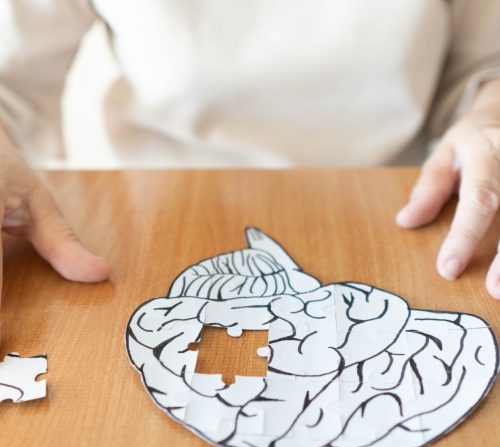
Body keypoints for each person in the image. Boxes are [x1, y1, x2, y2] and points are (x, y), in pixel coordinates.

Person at [0, 0, 499, 301]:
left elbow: (488, 63)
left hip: (409, 215)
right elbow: (9, 87)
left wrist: (490, 117)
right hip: (148, 227)